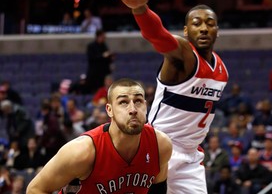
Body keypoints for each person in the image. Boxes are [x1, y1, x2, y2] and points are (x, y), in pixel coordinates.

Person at [112, 0, 229, 193]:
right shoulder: (184, 55)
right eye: (196, 23)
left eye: (210, 23)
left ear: (217, 30)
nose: (203, 28)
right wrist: (140, 9)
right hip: (158, 147)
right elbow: (158, 36)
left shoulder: (222, 70)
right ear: (186, 31)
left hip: (191, 155)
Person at [26, 78, 172, 194]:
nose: (133, 109)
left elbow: (158, 190)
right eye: (123, 102)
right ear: (109, 110)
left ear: (145, 106)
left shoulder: (160, 145)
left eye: (138, 101)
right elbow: (35, 189)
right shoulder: (82, 152)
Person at [85, 29, 114, 93]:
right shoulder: (91, 46)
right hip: (94, 73)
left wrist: (110, 58)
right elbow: (92, 58)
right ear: (98, 36)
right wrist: (102, 56)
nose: (104, 39)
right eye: (103, 37)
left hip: (103, 73)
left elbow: (107, 58)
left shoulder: (104, 46)